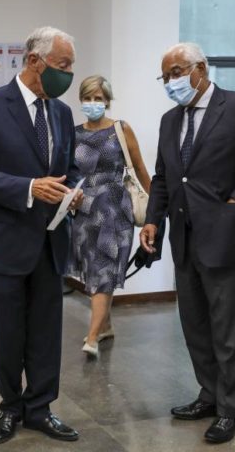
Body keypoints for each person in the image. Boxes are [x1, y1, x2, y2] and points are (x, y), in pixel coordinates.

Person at [140, 43, 235, 444]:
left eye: (176, 72)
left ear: (200, 69)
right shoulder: (170, 120)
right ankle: (209, 394)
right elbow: (164, 177)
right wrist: (152, 220)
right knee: (196, 326)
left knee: (229, 331)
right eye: (165, 76)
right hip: (185, 238)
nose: (170, 82)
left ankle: (230, 410)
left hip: (228, 237)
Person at [0, 26, 83, 445]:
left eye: (71, 65)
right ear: (35, 61)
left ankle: (40, 408)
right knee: (9, 334)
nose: (69, 74)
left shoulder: (61, 113)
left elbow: (69, 168)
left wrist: (74, 193)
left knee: (47, 334)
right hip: (2, 244)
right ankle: (11, 407)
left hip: (50, 243)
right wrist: (29, 188)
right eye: (63, 65)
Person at [67, 75, 151, 358]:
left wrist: (156, 209)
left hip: (115, 210)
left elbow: (140, 168)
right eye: (87, 98)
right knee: (94, 271)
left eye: (98, 98)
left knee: (104, 270)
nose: (93, 103)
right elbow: (69, 173)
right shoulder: (74, 134)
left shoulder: (120, 129)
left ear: (107, 101)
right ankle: (105, 326)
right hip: (84, 212)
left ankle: (92, 338)